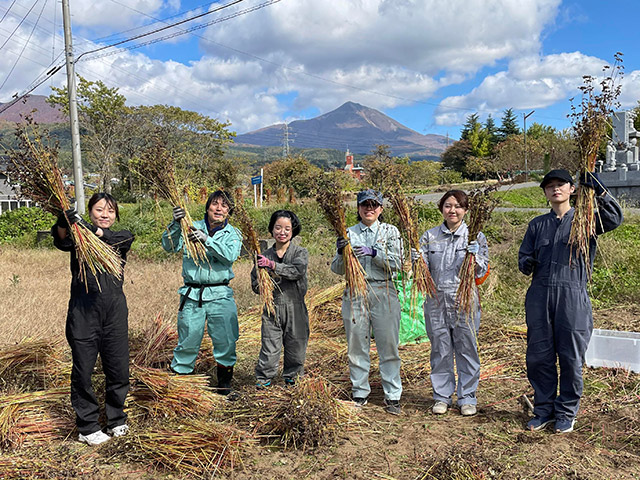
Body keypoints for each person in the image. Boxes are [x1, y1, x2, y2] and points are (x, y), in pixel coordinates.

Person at [518, 169, 622, 433]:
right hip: (540, 296)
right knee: (539, 356)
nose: (555, 189)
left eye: (561, 184)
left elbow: (614, 219)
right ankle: (543, 410)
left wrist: (600, 190)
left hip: (572, 295)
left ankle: (566, 412)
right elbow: (523, 258)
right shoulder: (537, 225)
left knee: (571, 357)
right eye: (550, 186)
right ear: (545, 192)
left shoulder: (584, 221)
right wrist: (526, 263)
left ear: (572, 189)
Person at [52, 193, 134, 446]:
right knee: (83, 371)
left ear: (116, 215)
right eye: (99, 210)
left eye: (110, 210)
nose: (105, 214)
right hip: (84, 312)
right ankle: (87, 426)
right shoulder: (78, 240)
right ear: (89, 212)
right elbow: (61, 239)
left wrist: (89, 229)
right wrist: (65, 220)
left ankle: (116, 419)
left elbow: (113, 238)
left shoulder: (122, 237)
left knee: (118, 368)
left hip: (114, 313)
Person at [413, 190, 489, 417]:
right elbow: (421, 272)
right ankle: (442, 396)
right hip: (436, 300)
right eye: (447, 205)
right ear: (441, 209)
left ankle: (467, 397)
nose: (452, 210)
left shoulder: (476, 237)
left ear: (465, 210)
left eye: (457, 206)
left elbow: (482, 272)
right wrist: (416, 261)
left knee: (467, 348)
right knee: (440, 348)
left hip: (465, 299)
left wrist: (475, 257)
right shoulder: (430, 236)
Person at [162, 190, 243, 397]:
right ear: (207, 207)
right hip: (192, 294)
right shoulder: (190, 226)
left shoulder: (233, 234)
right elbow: (169, 246)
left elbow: (230, 256)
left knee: (226, 340)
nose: (219, 209)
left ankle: (224, 386)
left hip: (220, 294)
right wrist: (175, 224)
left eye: (224, 206)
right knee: (188, 339)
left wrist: (207, 240)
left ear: (229, 211)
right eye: (215, 204)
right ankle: (181, 387)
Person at [330, 189, 403, 415]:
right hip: (355, 291)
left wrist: (374, 253)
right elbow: (336, 268)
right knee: (356, 344)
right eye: (364, 205)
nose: (369, 208)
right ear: (358, 208)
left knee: (388, 344)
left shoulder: (390, 232)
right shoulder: (348, 233)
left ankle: (393, 395)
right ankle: (359, 391)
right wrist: (342, 253)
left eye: (374, 205)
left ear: (381, 208)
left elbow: (398, 263)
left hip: (383, 290)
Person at [251, 210, 309, 388]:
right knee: (269, 347)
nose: (282, 232)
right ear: (272, 229)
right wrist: (263, 281)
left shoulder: (300, 252)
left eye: (287, 228)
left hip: (295, 306)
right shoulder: (264, 255)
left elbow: (297, 271)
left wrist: (273, 266)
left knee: (296, 346)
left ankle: (293, 378)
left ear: (293, 230)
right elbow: (254, 285)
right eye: (278, 227)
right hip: (272, 308)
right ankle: (263, 380)